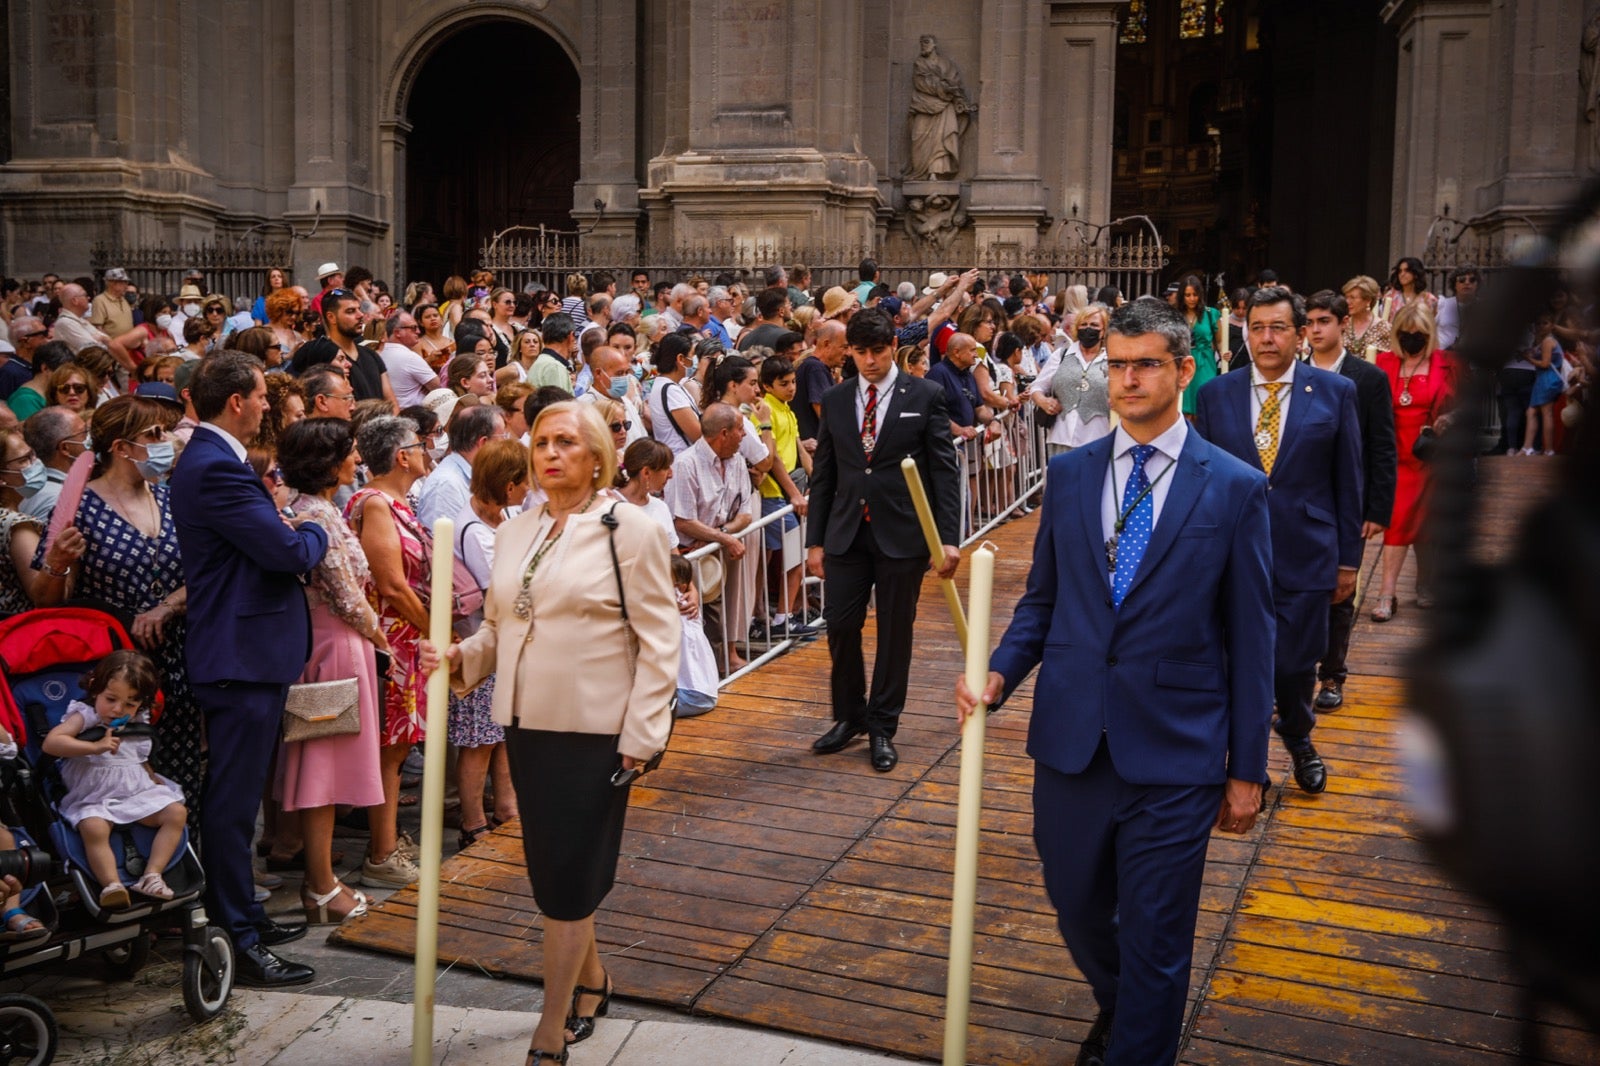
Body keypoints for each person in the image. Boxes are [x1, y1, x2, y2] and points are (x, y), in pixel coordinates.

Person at [956, 298, 1273, 1066]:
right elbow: (1043, 601)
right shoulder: (1067, 477)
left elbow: (1254, 638)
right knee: (1076, 904)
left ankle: (1137, 1042)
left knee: (1160, 936)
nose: (1128, 379)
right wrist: (999, 672)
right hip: (1070, 741)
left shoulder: (1233, 487)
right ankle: (1127, 1007)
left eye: (1146, 365)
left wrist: (1247, 771)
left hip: (1177, 752)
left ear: (1183, 370)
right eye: (1119, 363)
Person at [434, 400, 678, 1065]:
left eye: (565, 441)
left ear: (596, 454)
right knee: (557, 869)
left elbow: (661, 638)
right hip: (525, 724)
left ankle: (550, 1026)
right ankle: (594, 981)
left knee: (565, 878)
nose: (549, 453)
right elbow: (498, 625)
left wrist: (645, 729)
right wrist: (464, 659)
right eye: (540, 441)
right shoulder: (515, 531)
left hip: (599, 729)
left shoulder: (629, 530)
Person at [170, 350, 329, 987]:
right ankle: (237, 933)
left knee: (239, 802)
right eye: (262, 396)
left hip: (248, 652)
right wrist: (314, 524)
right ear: (236, 400)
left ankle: (248, 919)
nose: (267, 406)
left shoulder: (216, 463)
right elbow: (287, 550)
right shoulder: (216, 468)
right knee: (233, 806)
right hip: (238, 657)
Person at [1194, 286, 1364, 796]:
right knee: (1233, 660)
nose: (1267, 338)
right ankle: (1246, 761)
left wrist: (1349, 561)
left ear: (1301, 333)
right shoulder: (1216, 394)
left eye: (1278, 328)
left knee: (1293, 664)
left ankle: (1297, 735)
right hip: (1231, 556)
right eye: (1257, 328)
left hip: (1306, 551)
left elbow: (1349, 480)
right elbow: (1203, 479)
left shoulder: (1334, 393)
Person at [806, 308, 961, 773]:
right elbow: (826, 474)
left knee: (895, 633)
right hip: (846, 532)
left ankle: (882, 726)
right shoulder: (835, 400)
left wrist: (948, 538)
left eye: (877, 351)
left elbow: (943, 471)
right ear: (848, 352)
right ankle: (849, 715)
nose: (869, 361)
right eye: (860, 353)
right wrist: (815, 541)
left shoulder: (926, 394)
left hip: (903, 533)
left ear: (893, 348)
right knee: (840, 625)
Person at [276, 418, 387, 924]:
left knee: (323, 766)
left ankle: (321, 880)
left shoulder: (306, 508)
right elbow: (346, 595)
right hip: (336, 649)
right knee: (321, 769)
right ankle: (320, 886)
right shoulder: (315, 512)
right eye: (350, 451)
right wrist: (384, 640)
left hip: (326, 645)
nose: (357, 459)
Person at [345, 415, 433, 890]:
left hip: (407, 638)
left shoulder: (399, 502)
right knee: (390, 750)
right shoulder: (375, 503)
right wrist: (434, 626)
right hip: (393, 640)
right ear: (402, 456)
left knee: (397, 747)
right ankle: (380, 853)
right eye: (421, 445)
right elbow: (392, 586)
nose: (427, 450)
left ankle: (387, 840)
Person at [1301, 291, 1398, 713]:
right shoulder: (1292, 373)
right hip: (1300, 498)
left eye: (1324, 321)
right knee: (1293, 592)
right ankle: (1293, 673)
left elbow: (1382, 446)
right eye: (1309, 322)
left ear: (1344, 324)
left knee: (1341, 591)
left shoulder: (1367, 378)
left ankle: (1332, 675)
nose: (1316, 330)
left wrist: (1377, 509)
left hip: (1347, 502)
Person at [42, 650, 188, 908]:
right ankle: (112, 885)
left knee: (176, 813)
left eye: (130, 704)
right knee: (93, 828)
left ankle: (152, 875)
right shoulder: (85, 716)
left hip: (134, 791)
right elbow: (52, 743)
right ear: (95, 689)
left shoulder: (137, 720)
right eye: (110, 699)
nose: (118, 709)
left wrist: (152, 778)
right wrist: (94, 747)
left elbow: (140, 758)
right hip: (94, 796)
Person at [449, 439, 529, 850]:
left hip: (504, 646)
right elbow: (501, 589)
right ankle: (473, 820)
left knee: (501, 734)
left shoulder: (502, 516)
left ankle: (506, 806)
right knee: (478, 740)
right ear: (508, 484)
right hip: (480, 643)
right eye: (523, 482)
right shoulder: (475, 530)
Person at [1371, 304, 1455, 621]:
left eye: (1418, 335)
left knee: (1424, 524)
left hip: (1431, 454)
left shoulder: (1447, 364)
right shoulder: (1383, 364)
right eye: (1405, 334)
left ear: (1429, 335)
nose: (1412, 339)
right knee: (1398, 521)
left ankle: (1424, 585)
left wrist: (1450, 418)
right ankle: (1386, 593)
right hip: (1394, 456)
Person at [1030, 303, 1112, 454]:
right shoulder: (1061, 355)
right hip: (1061, 436)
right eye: (1083, 324)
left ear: (1104, 330)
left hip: (1098, 438)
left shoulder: (1112, 360)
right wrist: (1044, 401)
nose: (1088, 328)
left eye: (1094, 325)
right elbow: (1037, 387)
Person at [18, 405, 88, 521]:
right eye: (84, 433)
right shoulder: (61, 501)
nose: (89, 438)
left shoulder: (26, 489)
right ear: (65, 448)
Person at [646, 333, 702, 453]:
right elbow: (697, 434)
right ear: (681, 359)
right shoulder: (670, 391)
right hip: (679, 459)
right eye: (692, 355)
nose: (695, 361)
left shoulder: (671, 385)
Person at [616, 438, 676, 543]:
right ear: (646, 472)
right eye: (666, 468)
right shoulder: (610, 506)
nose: (671, 475)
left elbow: (673, 554)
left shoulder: (661, 507)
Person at [1178, 276, 1222, 416]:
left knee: (1204, 404)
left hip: (1205, 363)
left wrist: (1225, 353)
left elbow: (1220, 341)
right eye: (1187, 295)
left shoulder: (1210, 314)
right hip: (1183, 362)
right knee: (1184, 407)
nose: (1192, 299)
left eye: (1195, 295)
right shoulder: (1176, 315)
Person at [1523, 312, 1565, 456]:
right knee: (1532, 412)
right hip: (1544, 379)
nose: (1541, 326)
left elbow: (1545, 363)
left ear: (1552, 325)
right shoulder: (1543, 341)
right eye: (1539, 323)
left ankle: (1548, 449)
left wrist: (1528, 359)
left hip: (1547, 378)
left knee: (1545, 413)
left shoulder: (1548, 341)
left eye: (1545, 323)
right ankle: (1528, 447)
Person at [1341, 275, 1392, 359]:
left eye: (1353, 298)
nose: (1347, 302)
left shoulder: (1384, 328)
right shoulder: (1342, 324)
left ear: (1368, 300)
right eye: (1346, 297)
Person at [1380, 256, 1436, 320]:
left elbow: (1431, 324)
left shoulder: (1428, 299)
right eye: (1400, 271)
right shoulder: (1390, 296)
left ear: (1416, 274)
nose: (1402, 274)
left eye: (1407, 271)